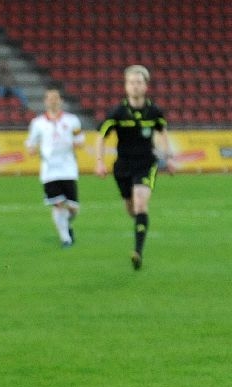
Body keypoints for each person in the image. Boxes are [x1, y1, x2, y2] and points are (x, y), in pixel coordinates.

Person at [95, 64, 173, 270]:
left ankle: (138, 252)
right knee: (131, 208)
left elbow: (163, 132)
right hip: (123, 165)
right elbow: (101, 136)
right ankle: (139, 220)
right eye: (131, 82)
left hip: (146, 163)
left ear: (146, 86)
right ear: (126, 86)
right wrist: (100, 162)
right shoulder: (118, 112)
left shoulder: (154, 111)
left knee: (140, 204)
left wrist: (168, 157)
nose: (135, 86)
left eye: (139, 82)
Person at [25, 88, 84, 247]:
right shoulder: (37, 123)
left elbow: (80, 139)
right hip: (49, 170)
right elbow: (31, 143)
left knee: (73, 208)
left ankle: (66, 224)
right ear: (45, 102)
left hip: (68, 168)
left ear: (61, 101)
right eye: (50, 98)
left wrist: (75, 143)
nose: (53, 101)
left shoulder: (72, 120)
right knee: (58, 203)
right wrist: (32, 149)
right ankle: (66, 239)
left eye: (55, 98)